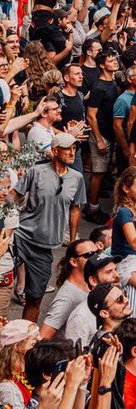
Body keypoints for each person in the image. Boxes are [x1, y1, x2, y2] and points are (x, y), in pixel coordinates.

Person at [11, 132, 86, 320]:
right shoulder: (36, 172)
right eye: (68, 148)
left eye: (74, 148)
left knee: (35, 298)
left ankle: (24, 340)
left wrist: (73, 241)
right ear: (54, 151)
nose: (72, 152)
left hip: (45, 247)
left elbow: (75, 210)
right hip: (21, 237)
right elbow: (14, 196)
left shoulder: (77, 178)